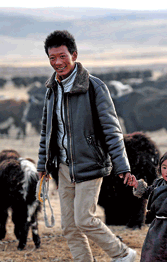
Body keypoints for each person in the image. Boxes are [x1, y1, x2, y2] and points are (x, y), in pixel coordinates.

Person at [36, 30, 137, 262]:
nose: (57, 63)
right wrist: (42, 164)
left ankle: (123, 255)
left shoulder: (94, 87)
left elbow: (112, 130)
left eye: (62, 56)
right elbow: (47, 131)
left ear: (74, 54)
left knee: (84, 219)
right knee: (69, 227)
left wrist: (123, 167)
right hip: (62, 166)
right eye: (52, 58)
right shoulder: (51, 90)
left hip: (89, 163)